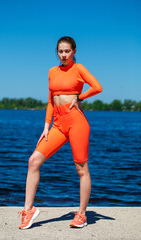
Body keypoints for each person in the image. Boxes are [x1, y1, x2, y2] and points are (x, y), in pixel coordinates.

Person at [18, 36, 102, 229]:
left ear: (74, 51)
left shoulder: (79, 69)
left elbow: (97, 87)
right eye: (60, 51)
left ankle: (81, 214)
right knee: (33, 161)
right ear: (57, 52)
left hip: (76, 121)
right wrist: (46, 125)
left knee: (81, 169)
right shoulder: (52, 72)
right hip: (57, 123)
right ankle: (28, 210)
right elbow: (50, 100)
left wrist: (80, 97)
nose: (64, 55)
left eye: (67, 51)